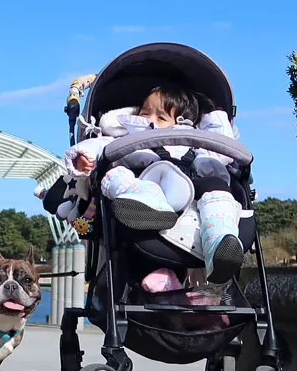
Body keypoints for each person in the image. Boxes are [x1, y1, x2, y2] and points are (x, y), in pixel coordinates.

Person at [62, 85, 244, 283]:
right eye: (145, 113)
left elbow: (223, 148)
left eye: (161, 117)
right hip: (144, 184)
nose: (150, 120)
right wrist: (84, 156)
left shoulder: (195, 142)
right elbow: (99, 145)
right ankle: (147, 205)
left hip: (191, 192)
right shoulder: (125, 136)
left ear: (182, 122)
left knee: (215, 184)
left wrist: (214, 116)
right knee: (115, 173)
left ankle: (219, 243)